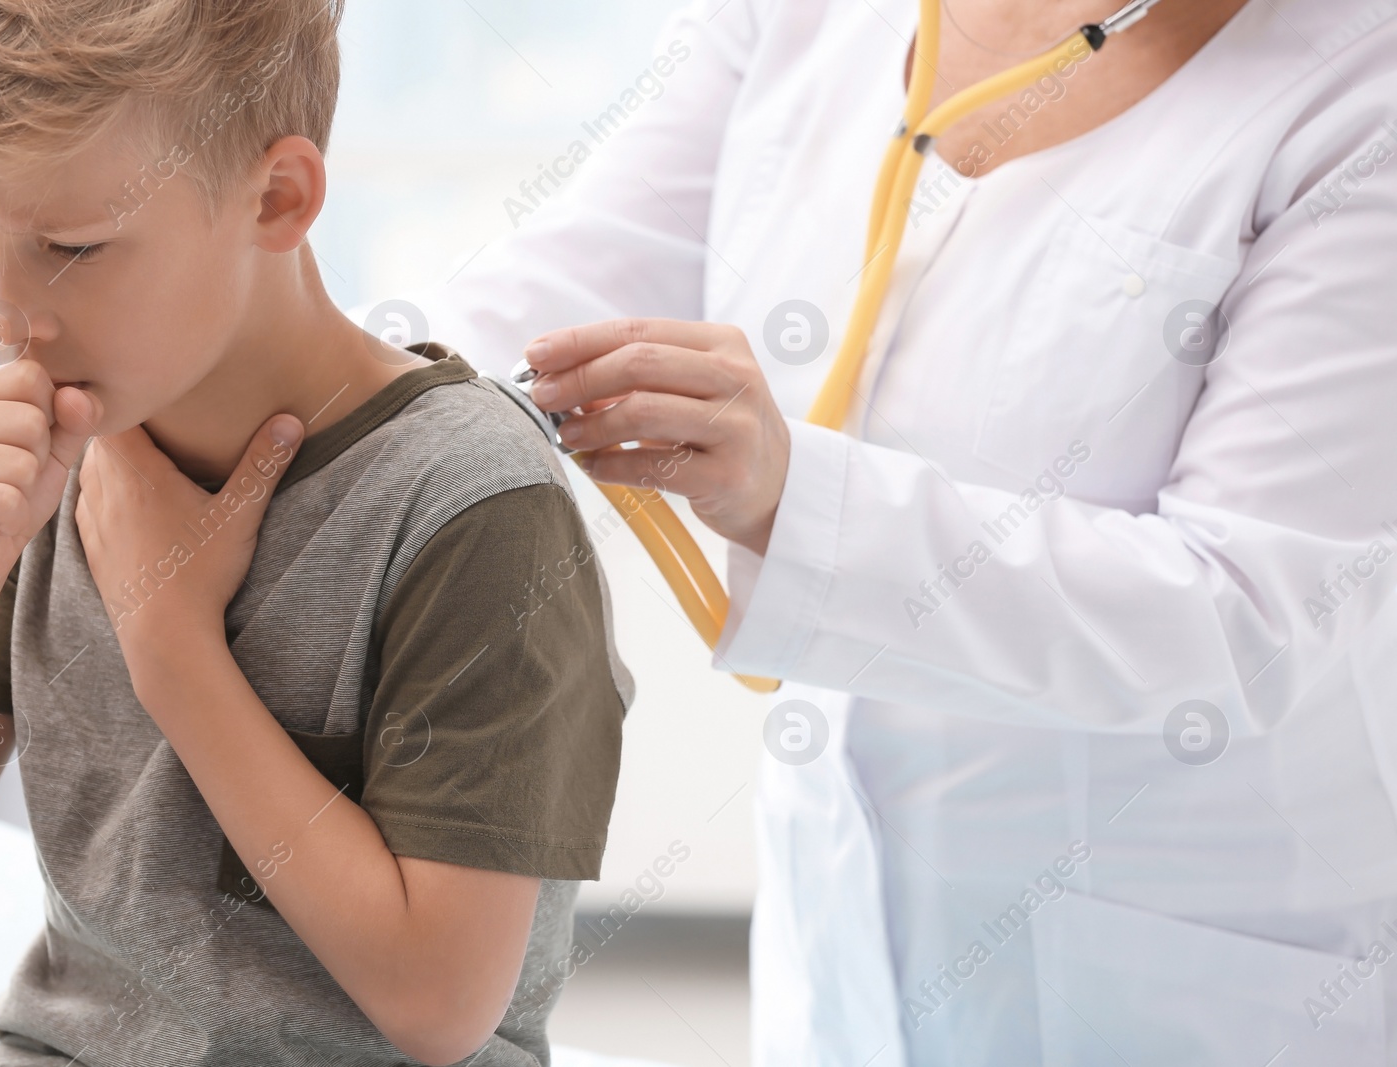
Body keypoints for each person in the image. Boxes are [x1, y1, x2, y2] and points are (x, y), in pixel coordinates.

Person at [397, 0, 1397, 1062]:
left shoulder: (1356, 88)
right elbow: (554, 287)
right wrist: (316, 382)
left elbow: (1247, 611)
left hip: (1178, 989)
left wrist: (794, 497)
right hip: (834, 965)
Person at [0, 1, 634, 1064]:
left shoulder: (468, 502)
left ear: (278, 197)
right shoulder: (65, 449)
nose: (3, 317)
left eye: (74, 246)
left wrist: (173, 648)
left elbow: (437, 1005)